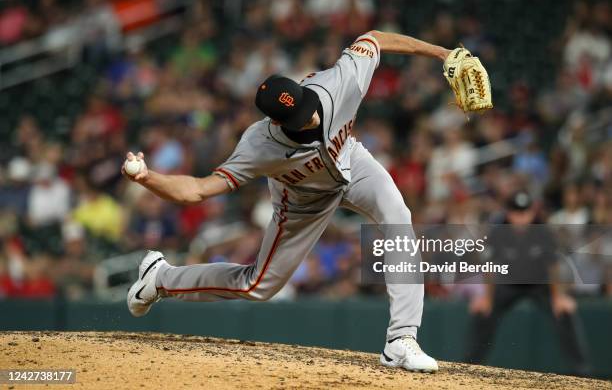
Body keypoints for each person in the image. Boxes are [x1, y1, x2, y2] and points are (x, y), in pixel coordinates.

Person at [124, 30, 453, 372]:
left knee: (397, 213)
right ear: (276, 121)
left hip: (350, 162)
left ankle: (401, 340)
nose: (309, 117)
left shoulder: (338, 82)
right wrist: (147, 178)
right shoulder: (258, 144)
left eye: (305, 107)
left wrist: (442, 52)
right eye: (297, 118)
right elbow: (197, 190)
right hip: (302, 199)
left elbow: (374, 38)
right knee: (258, 286)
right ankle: (161, 278)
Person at [465, 191, 590, 375]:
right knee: (483, 312)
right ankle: (469, 368)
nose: (521, 217)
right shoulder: (499, 232)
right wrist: (487, 298)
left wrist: (559, 297)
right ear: (509, 213)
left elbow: (553, 267)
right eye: (516, 212)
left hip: (539, 284)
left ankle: (582, 372)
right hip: (507, 283)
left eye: (525, 212)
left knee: (564, 312)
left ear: (532, 212)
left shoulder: (543, 231)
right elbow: (489, 266)